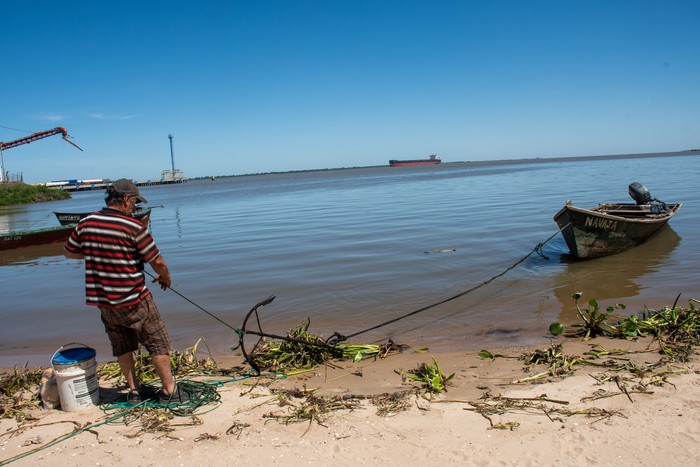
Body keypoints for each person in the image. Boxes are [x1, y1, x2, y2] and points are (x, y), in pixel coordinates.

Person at [64, 178, 187, 405]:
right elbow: (156, 261)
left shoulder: (86, 222)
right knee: (157, 342)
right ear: (126, 199)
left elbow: (70, 252)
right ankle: (170, 390)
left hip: (103, 301)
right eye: (135, 202)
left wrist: (96, 254)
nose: (136, 207)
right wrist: (166, 278)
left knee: (122, 346)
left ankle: (133, 391)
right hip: (134, 298)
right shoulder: (133, 226)